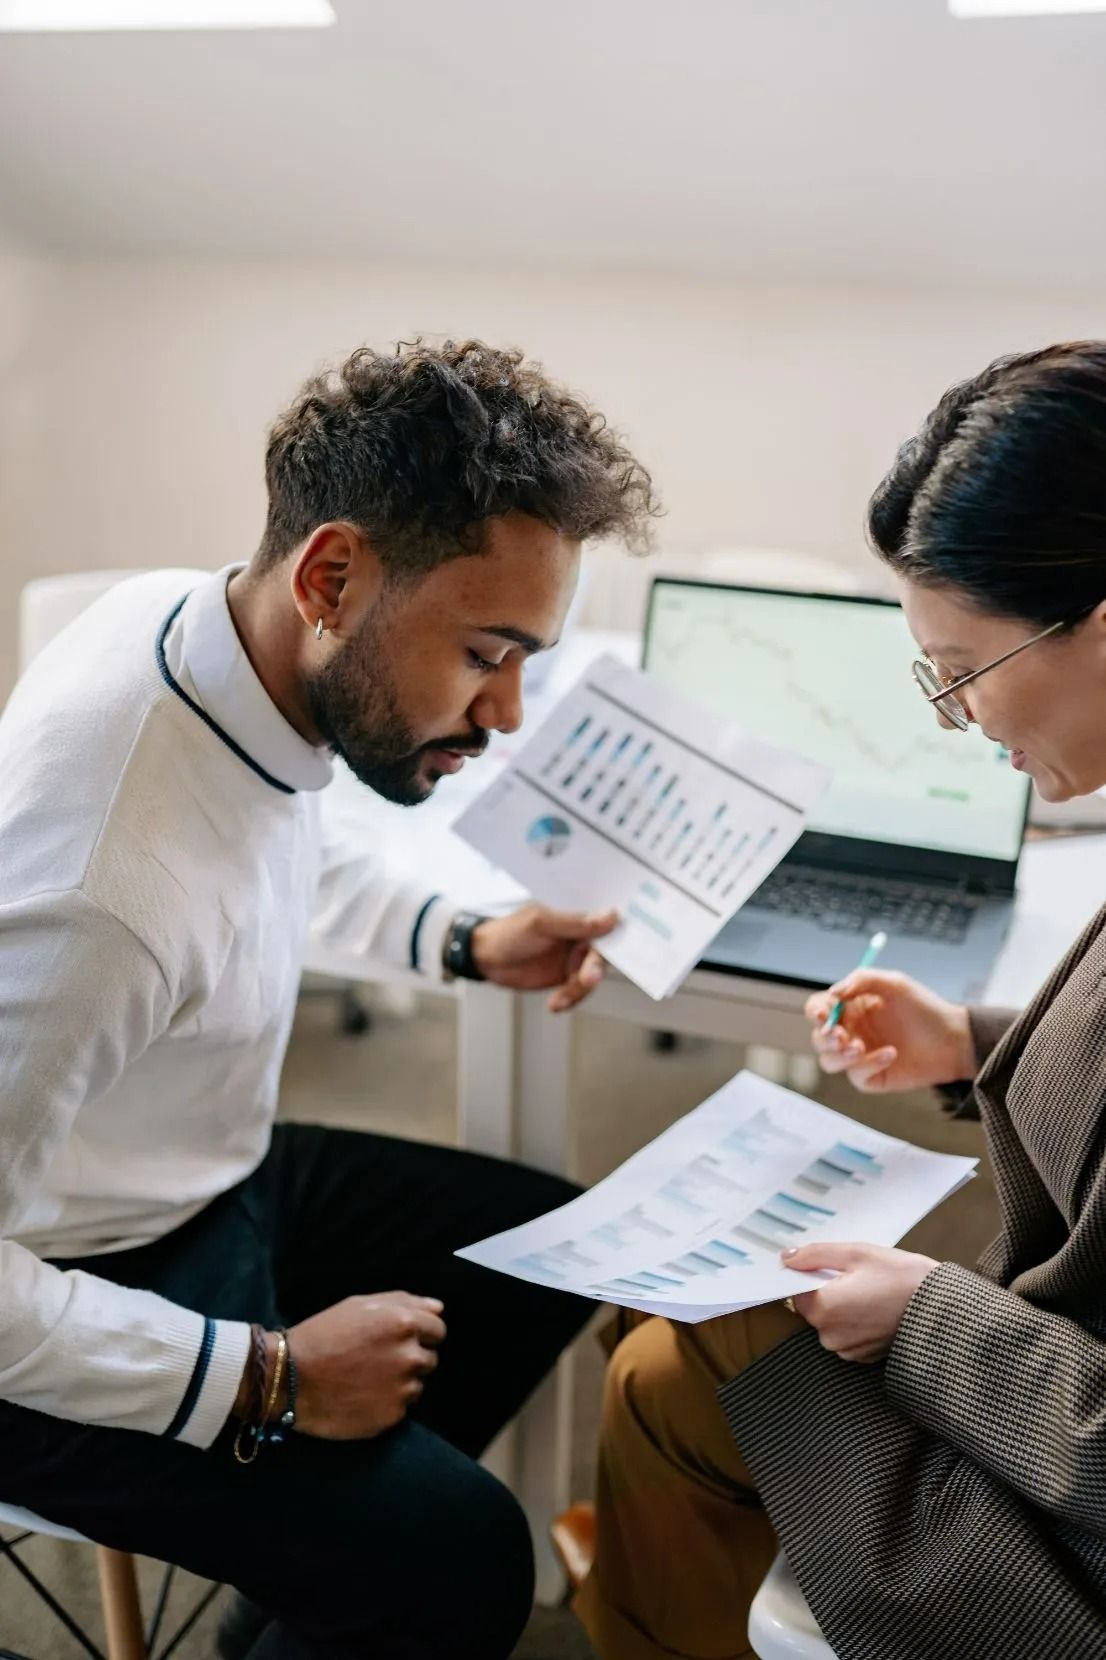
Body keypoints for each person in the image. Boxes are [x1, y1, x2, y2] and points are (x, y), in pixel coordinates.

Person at [0, 338, 659, 1660]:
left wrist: (466, 940)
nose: (511, 710)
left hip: (187, 1182)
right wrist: (270, 1381)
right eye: (487, 651)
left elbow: (278, 847)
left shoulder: (200, 631)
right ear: (332, 576)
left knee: (548, 1256)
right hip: (61, 1300)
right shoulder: (95, 897)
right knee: (465, 1551)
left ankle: (312, 1599)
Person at [575, 341, 1106, 1660]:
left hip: (1066, 1549)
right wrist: (967, 1044)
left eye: (962, 667)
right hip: (1050, 1400)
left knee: (662, 1365)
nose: (953, 718)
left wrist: (924, 1317)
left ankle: (660, 1587)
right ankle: (660, 1573)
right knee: (655, 1306)